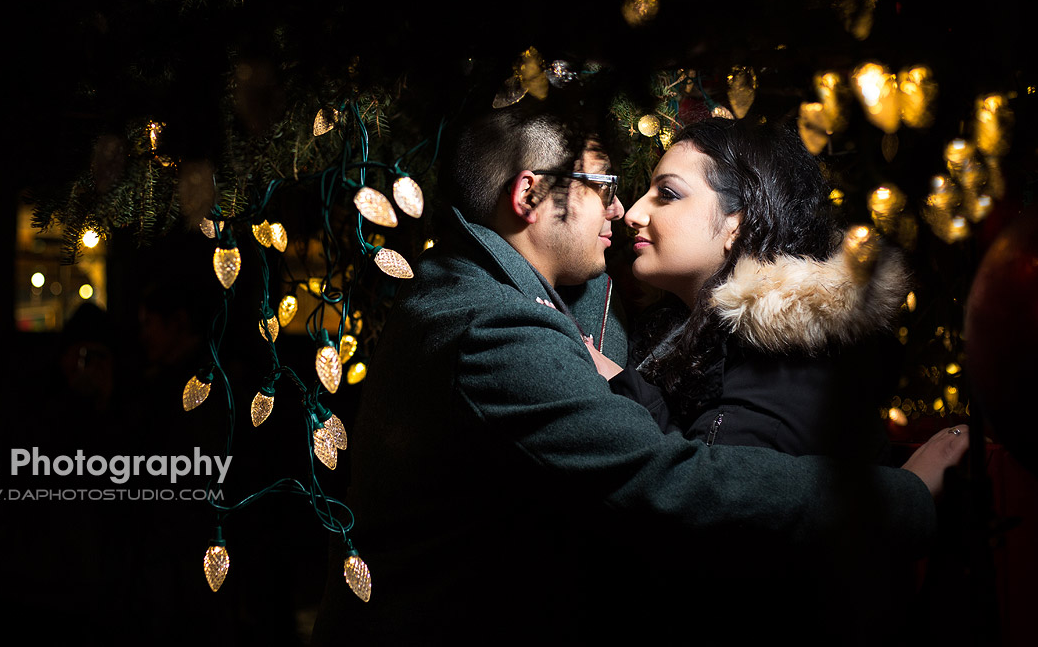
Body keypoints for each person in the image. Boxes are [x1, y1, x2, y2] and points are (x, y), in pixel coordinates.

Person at [310, 100, 967, 645]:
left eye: (661, 192)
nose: (625, 212)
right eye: (607, 188)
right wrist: (900, 497)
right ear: (530, 194)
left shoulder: (507, 289)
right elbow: (667, 485)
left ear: (738, 223)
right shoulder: (494, 326)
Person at [608, 116, 905, 460]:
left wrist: (624, 388)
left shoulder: (789, 355)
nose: (632, 214)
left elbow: (713, 497)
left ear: (739, 223)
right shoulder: (681, 330)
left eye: (667, 194)